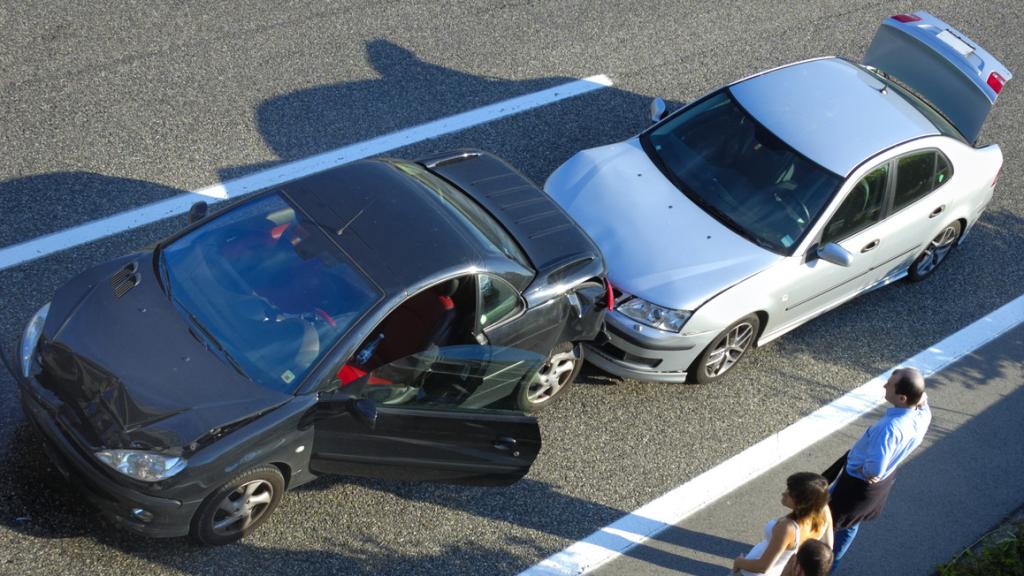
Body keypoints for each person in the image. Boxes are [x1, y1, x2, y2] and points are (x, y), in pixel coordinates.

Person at [828, 367, 930, 573]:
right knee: (849, 526)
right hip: (878, 488)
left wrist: (861, 468)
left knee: (826, 521)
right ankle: (831, 563)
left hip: (855, 486)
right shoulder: (922, 416)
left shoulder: (890, 428)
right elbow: (924, 398)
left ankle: (806, 559)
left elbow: (874, 468)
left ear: (902, 398)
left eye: (890, 384)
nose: (885, 385)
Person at [732, 472, 834, 576]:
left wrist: (739, 562)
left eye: (790, 494)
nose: (784, 493)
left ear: (803, 503)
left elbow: (763, 567)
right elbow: (828, 548)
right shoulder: (823, 511)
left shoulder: (788, 528)